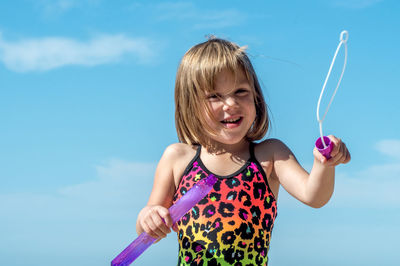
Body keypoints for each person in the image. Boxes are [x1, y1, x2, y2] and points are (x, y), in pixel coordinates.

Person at [136, 37, 350, 265]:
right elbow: (148, 229)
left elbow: (315, 196)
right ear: (190, 104)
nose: (230, 104)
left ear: (256, 97)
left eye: (240, 91)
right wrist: (148, 217)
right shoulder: (177, 158)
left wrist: (323, 164)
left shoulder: (270, 156)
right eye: (214, 96)